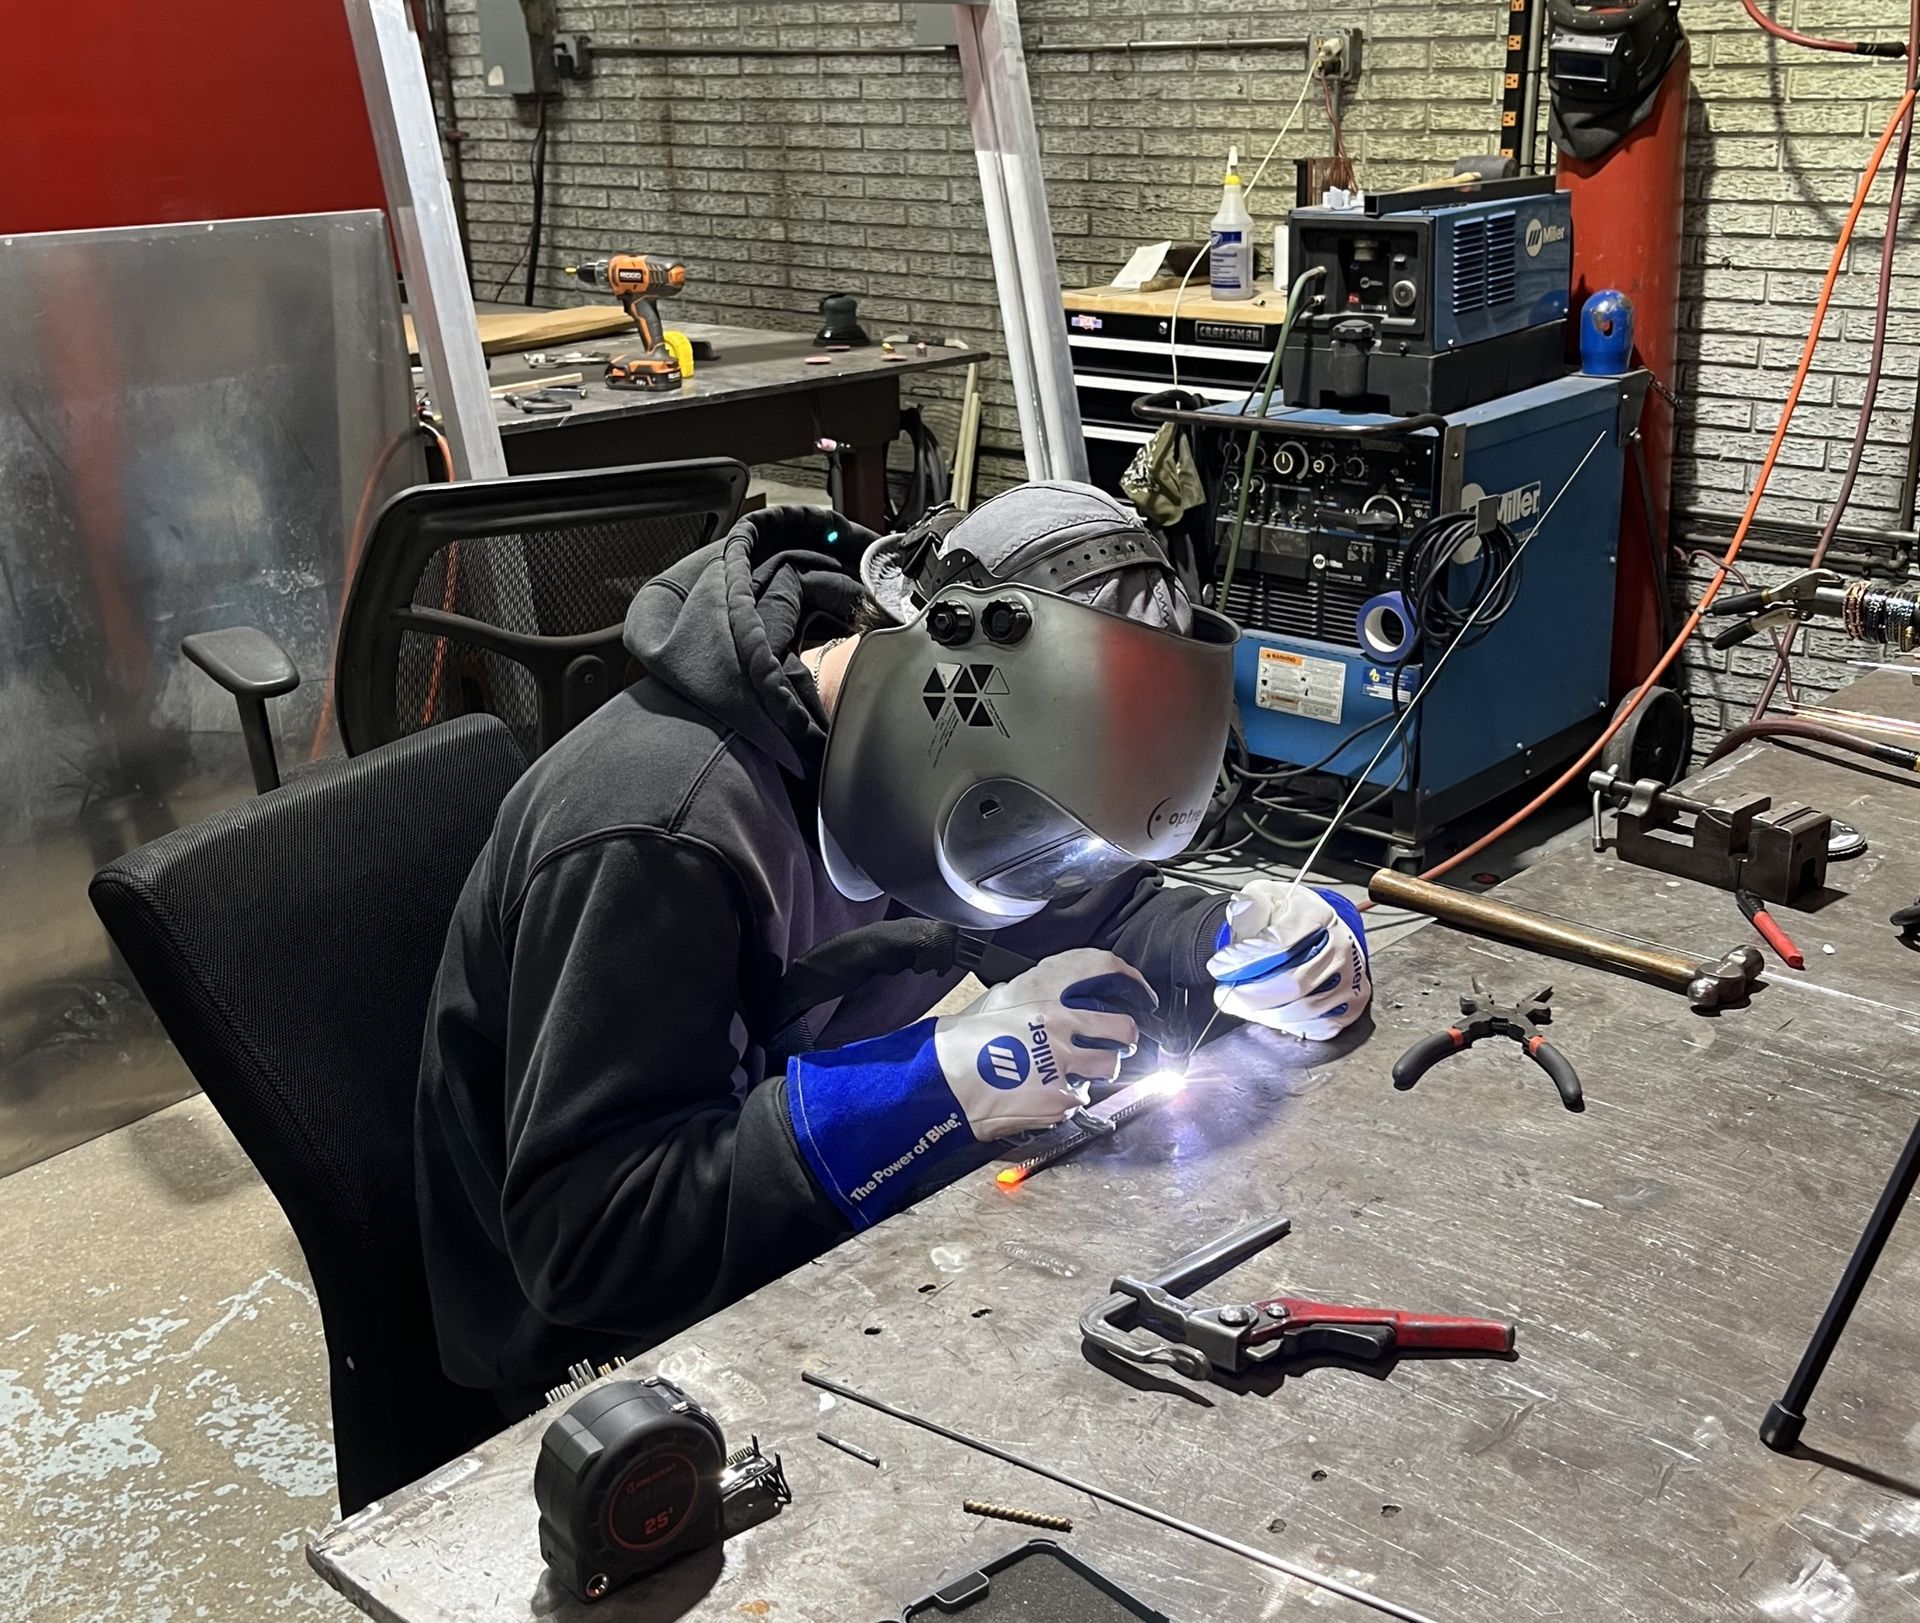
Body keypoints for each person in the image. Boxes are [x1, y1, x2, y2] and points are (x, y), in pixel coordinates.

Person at [415, 481, 1371, 1411]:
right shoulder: (659, 834)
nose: (1040, 871)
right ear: (951, 709)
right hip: (592, 1360)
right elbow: (592, 1243)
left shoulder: (937, 751)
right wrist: (933, 1079)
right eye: (1033, 833)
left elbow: (1097, 913)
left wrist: (1252, 942)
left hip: (778, 1229)